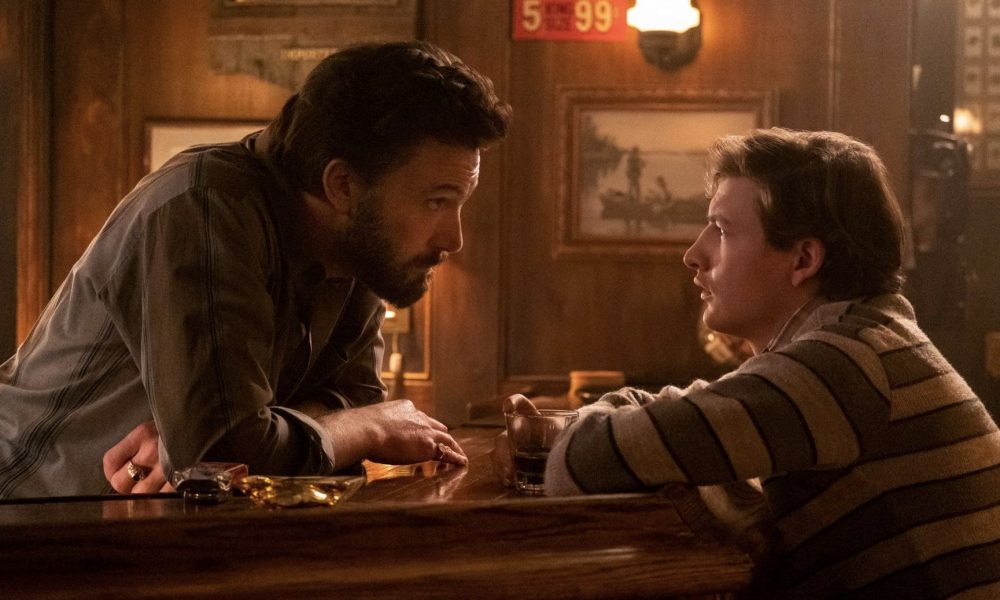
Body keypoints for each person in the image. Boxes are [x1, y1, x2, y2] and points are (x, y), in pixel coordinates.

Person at [494, 128, 1000, 598]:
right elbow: (694, 418)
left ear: (803, 260)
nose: (694, 254)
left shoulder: (841, 366)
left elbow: (585, 462)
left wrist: (562, 438)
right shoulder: (861, 343)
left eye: (721, 230)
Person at [0, 40, 511, 499]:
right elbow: (226, 448)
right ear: (343, 187)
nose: (454, 238)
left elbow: (349, 400)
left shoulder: (356, 247)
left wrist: (224, 436)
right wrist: (368, 429)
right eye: (436, 202)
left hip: (136, 535)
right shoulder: (205, 207)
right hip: (29, 521)